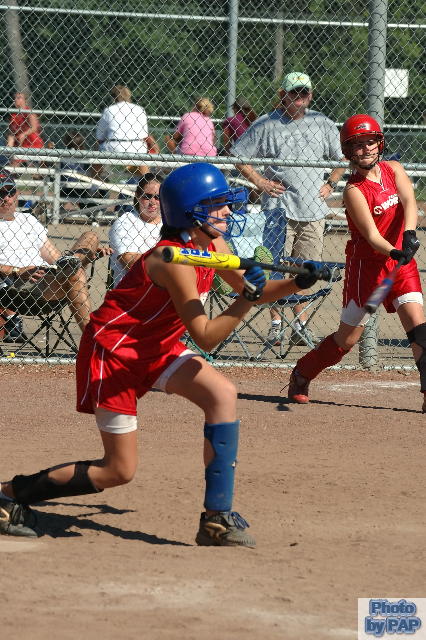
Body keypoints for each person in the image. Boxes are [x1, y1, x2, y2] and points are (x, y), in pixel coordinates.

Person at [0, 162, 323, 543]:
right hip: (115, 352)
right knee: (118, 470)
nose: (227, 211)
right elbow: (206, 335)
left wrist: (297, 282)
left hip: (157, 346)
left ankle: (217, 518)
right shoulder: (172, 260)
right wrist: (248, 299)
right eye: (217, 205)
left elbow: (251, 289)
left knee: (221, 393)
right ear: (191, 213)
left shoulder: (212, 243)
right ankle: (8, 495)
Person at [287, 114, 426, 412]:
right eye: (357, 145)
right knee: (346, 340)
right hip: (368, 269)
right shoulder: (353, 191)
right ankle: (302, 372)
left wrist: (409, 233)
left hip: (401, 266)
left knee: (420, 330)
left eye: (370, 142)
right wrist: (394, 251)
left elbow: (409, 202)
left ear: (380, 143)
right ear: (348, 151)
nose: (365, 149)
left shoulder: (394, 169)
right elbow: (372, 237)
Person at [232, 71, 346, 347]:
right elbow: (237, 156)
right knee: (276, 268)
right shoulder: (266, 123)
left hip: (312, 209)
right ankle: (277, 325)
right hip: (277, 209)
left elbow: (341, 158)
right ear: (282, 95)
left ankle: (300, 325)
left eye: (304, 92)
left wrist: (331, 183)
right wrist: (260, 181)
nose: (299, 97)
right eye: (294, 92)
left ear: (311, 95)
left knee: (306, 270)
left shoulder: (322, 123)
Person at [0, 169, 110, 336]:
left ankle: (77, 264)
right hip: (17, 289)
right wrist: (17, 271)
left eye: (10, 192)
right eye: (1, 193)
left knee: (90, 237)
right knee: (75, 274)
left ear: (17, 193)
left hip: (50, 278)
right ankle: (93, 339)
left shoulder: (27, 220)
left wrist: (86, 255)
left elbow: (56, 258)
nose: (7, 198)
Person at [109, 173, 162, 287]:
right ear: (137, 196)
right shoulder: (125, 222)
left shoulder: (170, 223)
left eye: (158, 197)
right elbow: (131, 262)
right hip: (132, 289)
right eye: (147, 196)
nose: (153, 202)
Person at [96, 85, 159, 175]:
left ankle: (96, 179)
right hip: (137, 147)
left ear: (113, 98)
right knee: (143, 156)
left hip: (114, 147)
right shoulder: (139, 109)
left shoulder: (109, 110)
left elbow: (100, 136)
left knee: (97, 152)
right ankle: (145, 179)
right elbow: (144, 135)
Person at [6, 92, 44, 166]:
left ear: (25, 100)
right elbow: (12, 131)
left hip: (32, 144)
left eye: (19, 98)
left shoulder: (29, 112)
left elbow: (34, 127)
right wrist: (11, 138)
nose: (15, 100)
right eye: (14, 98)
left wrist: (24, 134)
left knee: (20, 165)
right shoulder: (14, 114)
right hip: (20, 145)